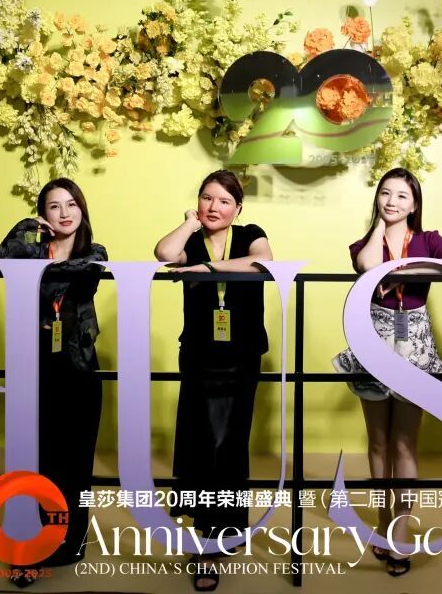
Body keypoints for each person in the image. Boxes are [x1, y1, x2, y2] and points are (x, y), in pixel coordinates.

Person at [332, 167, 442, 577]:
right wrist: (379, 228)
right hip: (373, 339)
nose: (392, 201)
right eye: (385, 194)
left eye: (402, 196)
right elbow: (367, 266)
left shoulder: (428, 240)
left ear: (415, 204)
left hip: (415, 343)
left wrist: (402, 272)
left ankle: (402, 528)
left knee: (405, 442)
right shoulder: (365, 241)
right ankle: (383, 519)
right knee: (378, 442)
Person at [153, 170, 272, 592]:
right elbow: (163, 252)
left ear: (238, 208)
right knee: (202, 441)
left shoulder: (250, 234)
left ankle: (226, 528)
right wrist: (189, 223)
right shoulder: (191, 239)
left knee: (231, 442)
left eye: (223, 200)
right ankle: (207, 538)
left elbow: (262, 263)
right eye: (206, 198)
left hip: (242, 356)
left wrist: (205, 267)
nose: (213, 207)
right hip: (200, 354)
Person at [0, 178, 107, 588]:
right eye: (54, 206)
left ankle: (70, 540)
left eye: (71, 204)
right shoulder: (30, 248)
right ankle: (35, 540)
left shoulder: (95, 253)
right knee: (37, 458)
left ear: (82, 209)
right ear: (43, 213)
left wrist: (36, 271)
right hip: (34, 364)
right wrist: (26, 227)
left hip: (78, 367)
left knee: (75, 461)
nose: (64, 213)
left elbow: (79, 278)